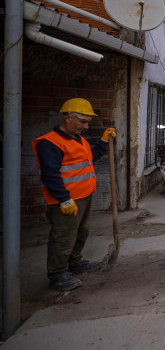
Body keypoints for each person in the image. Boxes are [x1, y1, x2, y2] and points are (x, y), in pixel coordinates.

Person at [32, 98, 116, 291]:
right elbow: (50, 174)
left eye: (87, 122)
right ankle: (57, 274)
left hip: (84, 196)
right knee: (63, 236)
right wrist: (64, 199)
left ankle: (74, 263)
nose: (86, 126)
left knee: (80, 232)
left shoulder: (79, 139)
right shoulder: (50, 143)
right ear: (68, 118)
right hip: (65, 200)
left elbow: (90, 158)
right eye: (83, 122)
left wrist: (103, 142)